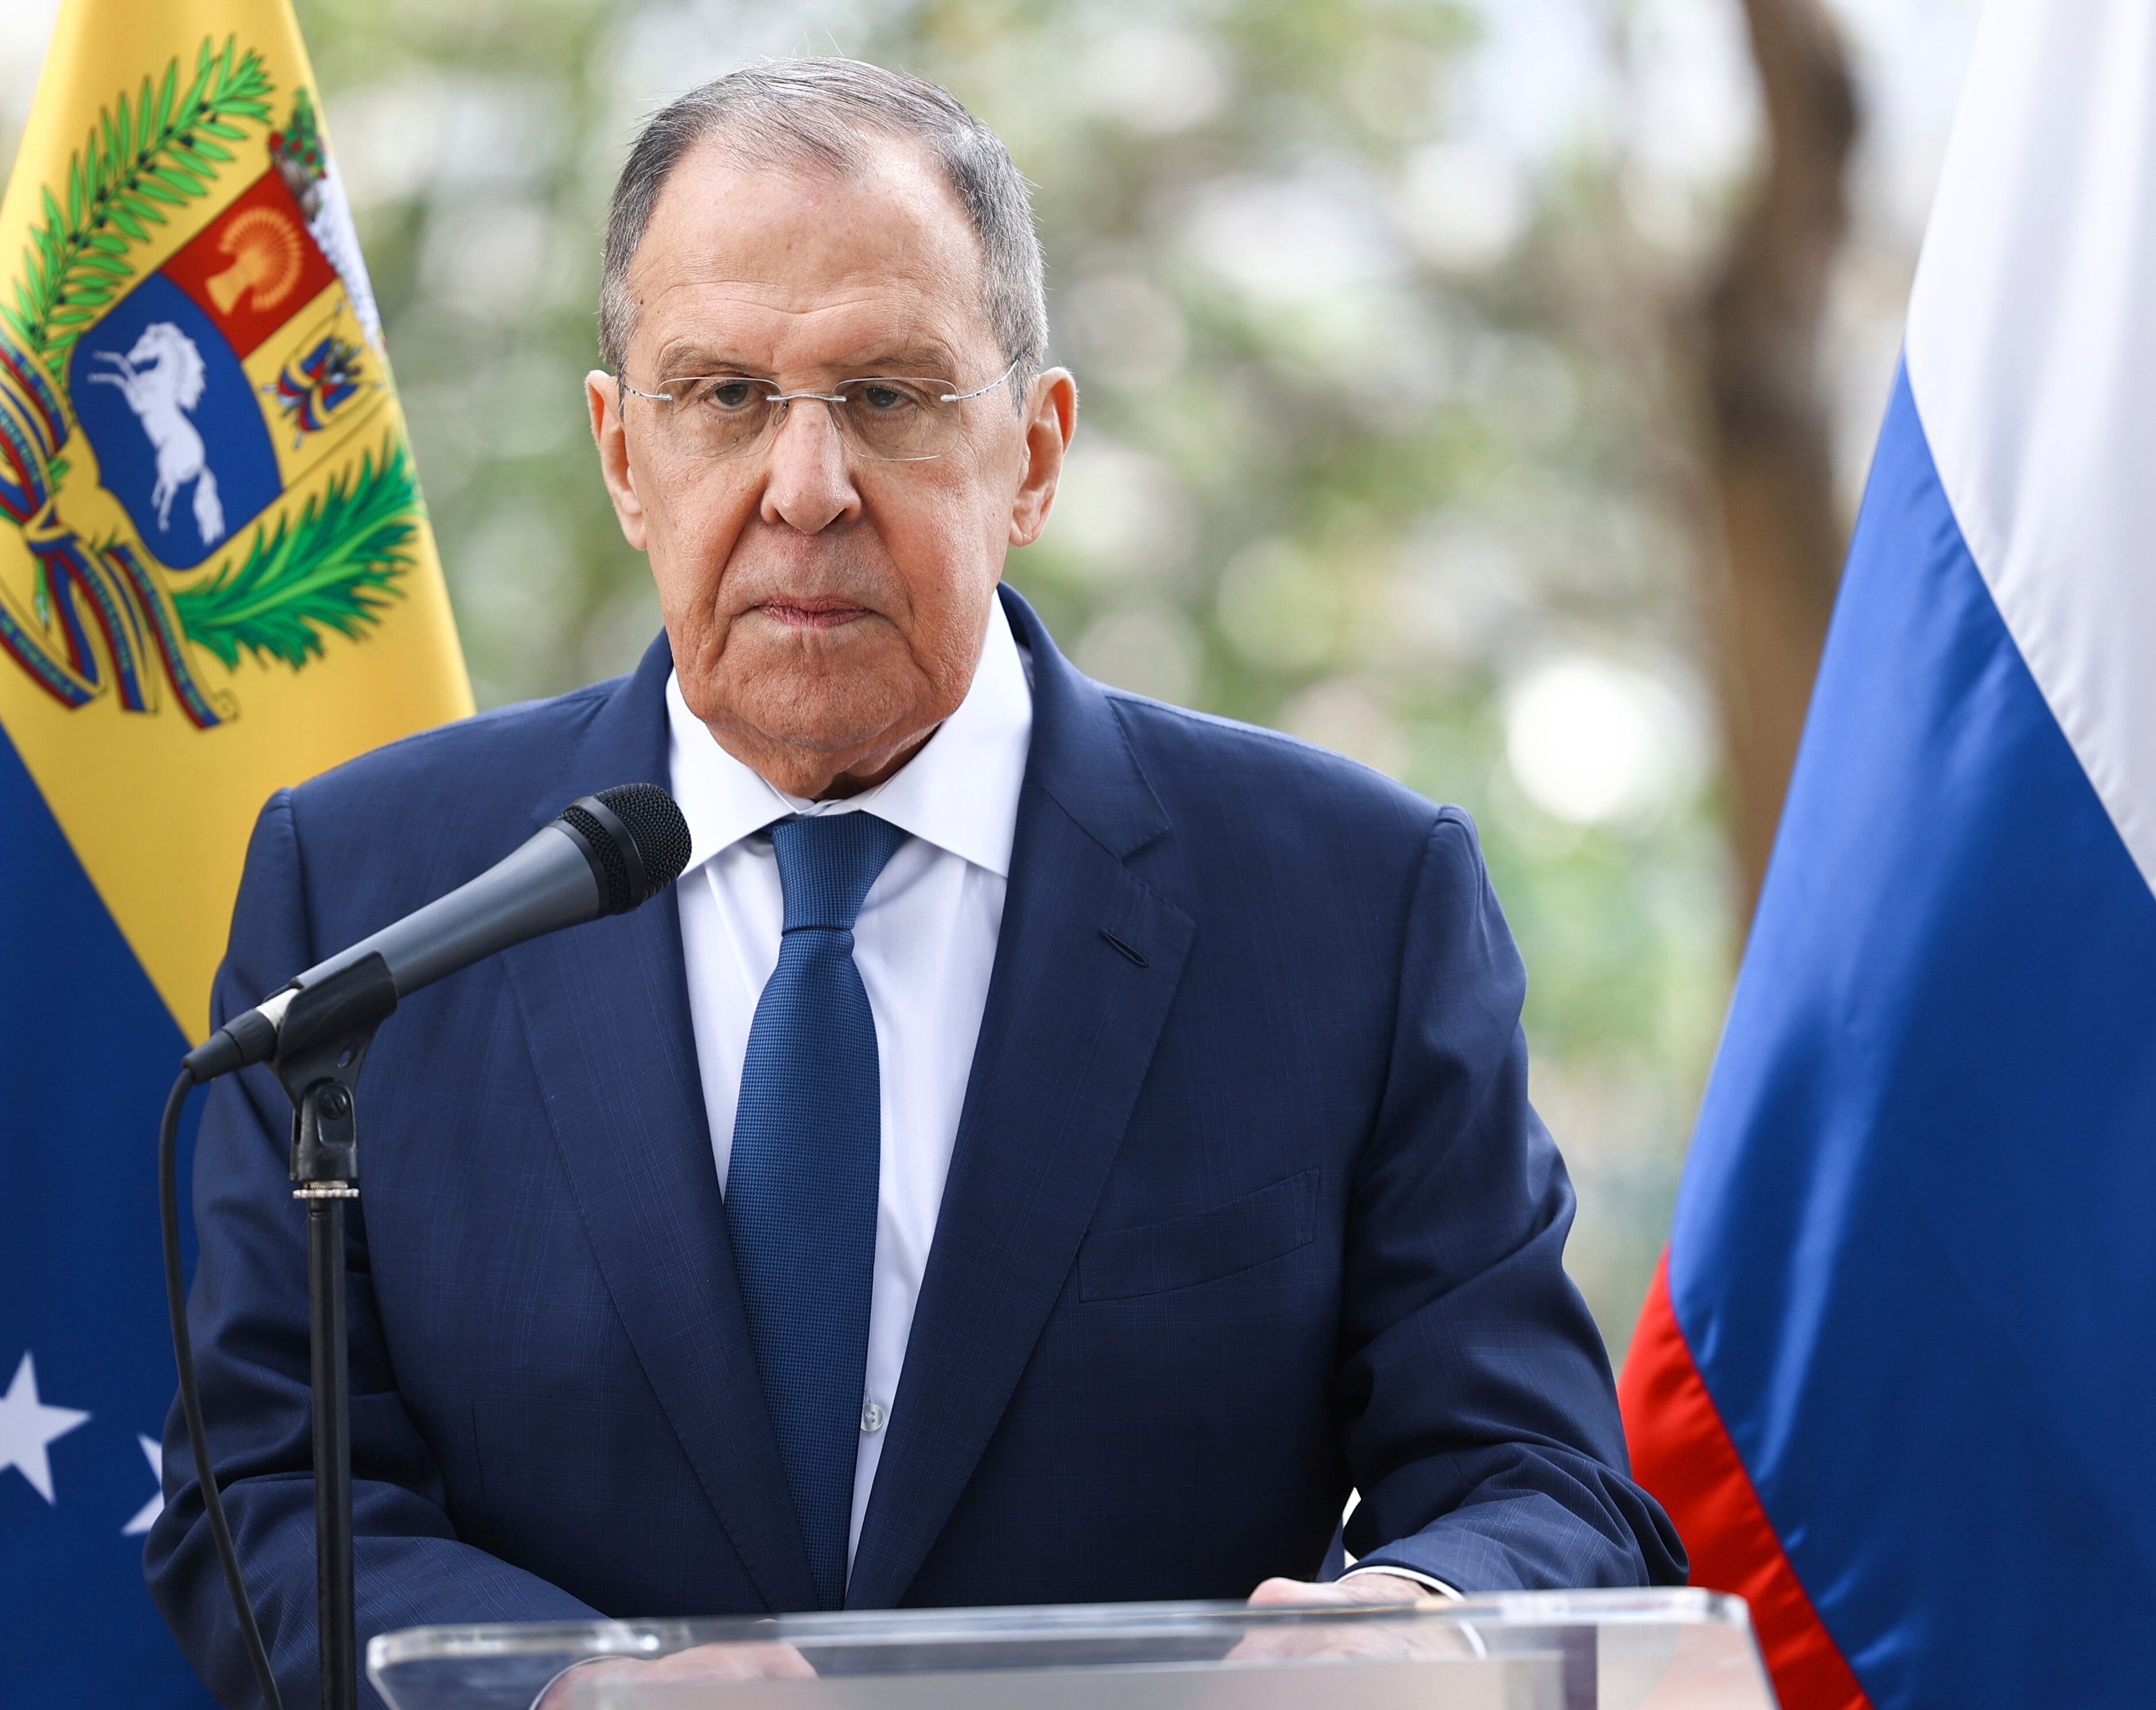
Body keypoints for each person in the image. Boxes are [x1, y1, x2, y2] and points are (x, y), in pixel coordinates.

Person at [147, 57, 1686, 1708]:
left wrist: (1413, 1611)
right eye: (723, 396)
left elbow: (1542, 1480)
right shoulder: (370, 896)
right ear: (620, 455)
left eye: (888, 395)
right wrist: (564, 1694)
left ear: (1034, 452)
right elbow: (263, 1498)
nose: (805, 491)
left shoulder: (1349, 904)